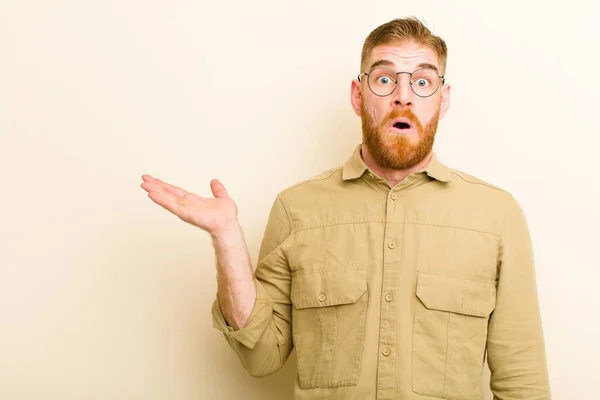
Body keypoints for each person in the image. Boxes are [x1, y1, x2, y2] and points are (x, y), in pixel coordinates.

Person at [141, 17, 551, 400]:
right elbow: (261, 355)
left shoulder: (497, 217)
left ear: (442, 101)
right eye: (385, 78)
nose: (403, 97)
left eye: (422, 81)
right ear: (358, 95)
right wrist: (226, 238)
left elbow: (522, 380)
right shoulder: (296, 209)